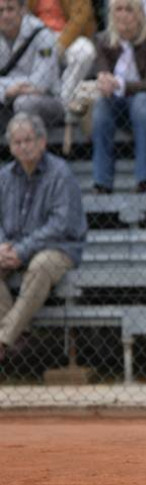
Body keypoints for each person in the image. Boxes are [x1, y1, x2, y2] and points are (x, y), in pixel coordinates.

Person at [0, 112, 86, 362]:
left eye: (28, 140)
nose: (23, 146)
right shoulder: (4, 177)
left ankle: (4, 339)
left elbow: (60, 224)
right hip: (13, 247)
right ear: (11, 147)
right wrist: (2, 246)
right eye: (17, 142)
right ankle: (18, 332)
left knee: (40, 265)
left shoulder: (60, 173)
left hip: (58, 247)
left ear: (42, 142)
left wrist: (22, 250)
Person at [91, 0, 146, 194]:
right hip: (122, 105)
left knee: (141, 101)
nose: (123, 14)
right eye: (118, 9)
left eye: (129, 9)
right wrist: (105, 82)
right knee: (102, 105)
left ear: (140, 14)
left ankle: (145, 180)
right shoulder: (103, 41)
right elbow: (103, 74)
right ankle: (102, 182)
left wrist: (118, 84)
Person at [0, 0, 62, 126]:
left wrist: (6, 88)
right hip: (8, 95)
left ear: (22, 10)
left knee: (23, 102)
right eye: (0, 11)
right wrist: (7, 91)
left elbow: (42, 83)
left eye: (10, 9)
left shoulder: (42, 34)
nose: (5, 15)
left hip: (47, 99)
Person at [25, 0, 96, 110]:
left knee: (85, 52)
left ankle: (64, 99)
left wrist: (61, 45)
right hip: (37, 35)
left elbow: (80, 18)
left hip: (67, 35)